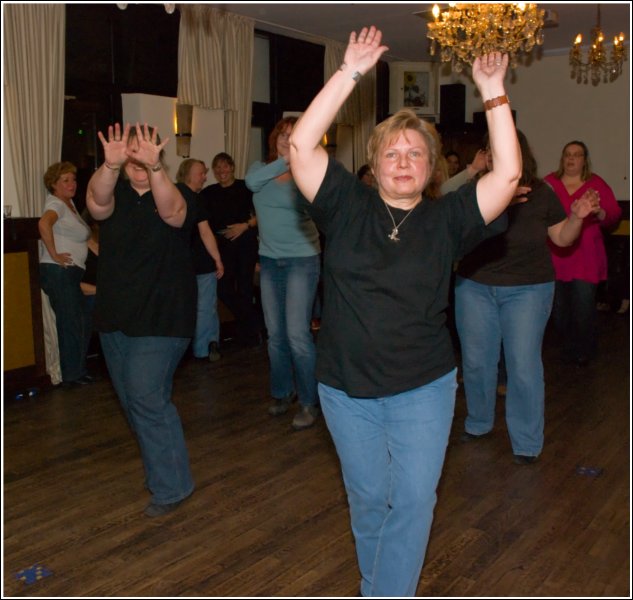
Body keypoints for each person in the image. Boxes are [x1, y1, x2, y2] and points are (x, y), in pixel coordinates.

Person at [288, 26, 521, 597]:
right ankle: (379, 586)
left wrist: (492, 90)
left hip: (423, 385)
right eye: (391, 151)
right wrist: (349, 71)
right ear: (374, 163)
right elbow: (300, 144)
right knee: (368, 500)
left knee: (414, 500)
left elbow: (508, 175)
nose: (403, 159)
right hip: (346, 387)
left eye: (415, 153)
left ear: (432, 167)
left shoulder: (448, 220)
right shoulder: (346, 205)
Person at [455, 130, 600, 466]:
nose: (496, 155)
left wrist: (577, 218)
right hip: (474, 287)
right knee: (476, 362)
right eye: (491, 150)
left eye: (503, 149)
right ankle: (479, 422)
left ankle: (526, 440)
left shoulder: (541, 195)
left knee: (522, 365)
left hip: (528, 289)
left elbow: (563, 239)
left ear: (518, 153)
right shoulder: (473, 192)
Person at [86, 122, 196, 518]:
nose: (137, 157)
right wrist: (110, 166)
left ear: (157, 153)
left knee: (146, 396)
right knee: (135, 402)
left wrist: (154, 171)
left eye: (145, 150)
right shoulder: (112, 188)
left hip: (164, 315)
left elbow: (172, 213)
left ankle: (172, 487)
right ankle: (165, 471)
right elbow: (97, 204)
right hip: (116, 314)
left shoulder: (175, 191)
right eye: (130, 151)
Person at [245, 116, 322, 431]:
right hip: (270, 260)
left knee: (297, 335)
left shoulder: (305, 173)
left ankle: (309, 401)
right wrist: (284, 160)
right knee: (275, 335)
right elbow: (251, 184)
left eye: (293, 136)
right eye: (282, 134)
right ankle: (282, 392)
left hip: (302, 259)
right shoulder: (257, 170)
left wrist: (295, 163)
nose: (285, 138)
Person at [544, 141, 622, 366]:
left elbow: (613, 216)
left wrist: (598, 212)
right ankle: (567, 347)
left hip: (585, 258)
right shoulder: (549, 184)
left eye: (576, 155)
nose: (571, 159)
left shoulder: (595, 184)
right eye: (567, 154)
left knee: (583, 309)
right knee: (558, 312)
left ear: (584, 160)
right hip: (555, 257)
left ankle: (584, 351)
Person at [38, 161, 94, 387]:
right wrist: (54, 254)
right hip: (59, 271)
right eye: (66, 180)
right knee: (70, 321)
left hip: (69, 273)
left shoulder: (69, 205)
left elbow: (88, 240)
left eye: (74, 179)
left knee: (81, 318)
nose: (72, 184)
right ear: (54, 184)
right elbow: (44, 224)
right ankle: (72, 375)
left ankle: (77, 370)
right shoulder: (56, 203)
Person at [201, 152, 261, 347]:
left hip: (245, 243)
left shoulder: (246, 188)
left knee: (245, 288)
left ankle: (248, 336)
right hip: (223, 247)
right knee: (223, 288)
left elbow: (262, 214)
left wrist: (244, 226)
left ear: (232, 167)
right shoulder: (209, 192)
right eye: (217, 167)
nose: (221, 171)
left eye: (225, 166)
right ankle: (253, 325)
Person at [176, 158, 225, 362]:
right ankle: (203, 349)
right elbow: (205, 232)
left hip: (180, 264)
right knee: (205, 307)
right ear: (188, 174)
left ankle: (196, 348)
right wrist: (218, 259)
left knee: (190, 307)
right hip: (199, 263)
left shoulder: (171, 194)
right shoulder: (195, 199)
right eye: (201, 173)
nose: (204, 177)